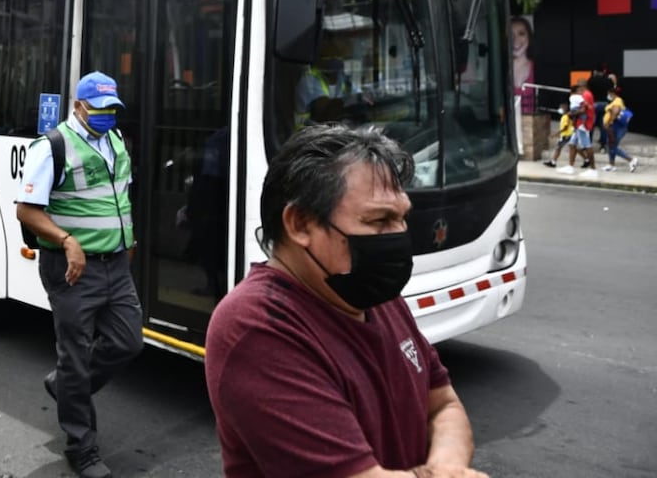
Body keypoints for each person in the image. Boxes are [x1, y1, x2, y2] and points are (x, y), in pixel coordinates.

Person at [204, 125, 486, 477]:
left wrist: (448, 467)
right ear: (301, 224)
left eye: (402, 218)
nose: (399, 236)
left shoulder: (376, 297)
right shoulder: (256, 327)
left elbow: (442, 404)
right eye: (379, 220)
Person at [16, 71, 143, 478]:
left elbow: (118, 197)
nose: (107, 116)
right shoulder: (53, 146)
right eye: (100, 109)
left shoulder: (116, 141)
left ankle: (66, 384)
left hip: (116, 264)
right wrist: (66, 239)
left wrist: (128, 238)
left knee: (128, 342)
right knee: (75, 353)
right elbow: (27, 210)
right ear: (78, 107)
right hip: (72, 269)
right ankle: (82, 447)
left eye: (113, 110)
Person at [295, 35, 367, 129]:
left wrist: (363, 99)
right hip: (309, 136)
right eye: (328, 57)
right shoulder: (309, 80)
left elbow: (359, 97)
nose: (335, 60)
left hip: (332, 132)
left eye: (338, 56)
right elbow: (326, 113)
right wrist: (353, 101)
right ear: (319, 59)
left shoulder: (342, 78)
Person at [601, 86, 638, 173]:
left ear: (612, 93)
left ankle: (631, 160)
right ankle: (611, 165)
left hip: (616, 127)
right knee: (610, 145)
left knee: (612, 147)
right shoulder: (615, 101)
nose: (608, 95)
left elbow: (615, 112)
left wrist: (609, 123)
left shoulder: (617, 101)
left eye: (609, 94)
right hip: (613, 126)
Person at [510, 16, 535, 114]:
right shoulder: (499, 70)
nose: (515, 40)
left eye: (521, 34)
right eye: (510, 35)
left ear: (529, 37)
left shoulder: (539, 70)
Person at [586, 65, 613, 151]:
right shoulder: (608, 80)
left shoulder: (591, 80)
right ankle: (603, 145)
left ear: (596, 71)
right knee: (603, 125)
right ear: (603, 71)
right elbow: (612, 89)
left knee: (591, 124)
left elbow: (587, 90)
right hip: (605, 104)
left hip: (594, 104)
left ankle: (588, 144)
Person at [542, 101, 574, 168]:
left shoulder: (565, 117)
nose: (560, 109)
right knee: (559, 148)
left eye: (561, 107)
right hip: (567, 135)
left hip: (566, 135)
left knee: (558, 148)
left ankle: (553, 162)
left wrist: (556, 134)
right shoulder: (565, 116)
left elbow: (565, 127)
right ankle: (553, 161)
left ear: (565, 108)